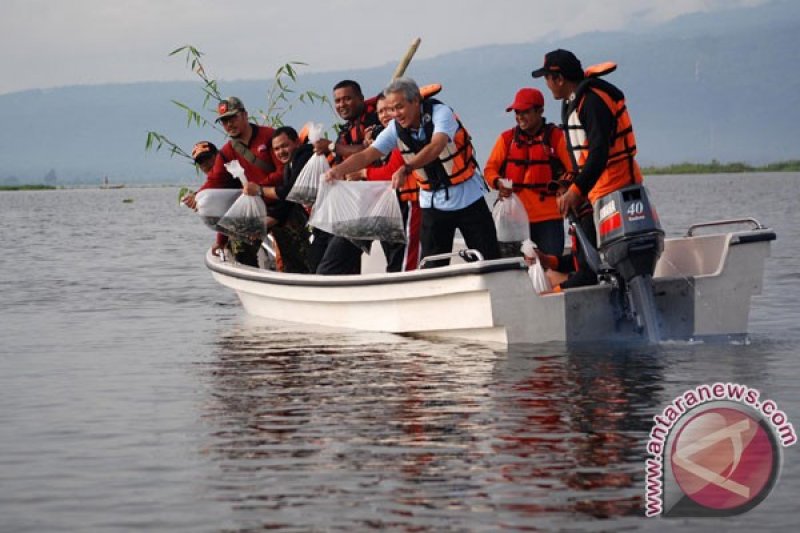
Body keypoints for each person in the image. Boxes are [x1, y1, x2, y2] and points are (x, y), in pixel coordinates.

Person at [325, 77, 500, 268]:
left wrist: (407, 167)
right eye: (391, 109)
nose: (395, 114)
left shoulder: (441, 113)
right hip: (433, 203)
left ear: (415, 100)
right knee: (432, 266)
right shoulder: (395, 128)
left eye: (399, 107)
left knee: (489, 258)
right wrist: (338, 170)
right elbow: (369, 153)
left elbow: (437, 145)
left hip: (468, 197)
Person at [531, 49, 643, 290]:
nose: (547, 86)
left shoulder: (591, 101)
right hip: (599, 192)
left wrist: (576, 191)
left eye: (547, 79)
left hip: (613, 190)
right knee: (591, 261)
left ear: (558, 78)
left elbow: (599, 153)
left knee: (591, 271)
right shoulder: (578, 99)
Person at [484, 87, 572, 257]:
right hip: (513, 221)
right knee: (515, 270)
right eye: (517, 112)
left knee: (551, 267)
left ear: (540, 111)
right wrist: (497, 182)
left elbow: (573, 169)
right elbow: (490, 169)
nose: (519, 116)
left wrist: (563, 185)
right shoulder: (506, 139)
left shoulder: (557, 138)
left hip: (548, 219)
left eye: (525, 112)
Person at [313, 80, 381, 275]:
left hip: (378, 203)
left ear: (360, 98)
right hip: (355, 203)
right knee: (331, 255)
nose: (342, 104)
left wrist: (332, 147)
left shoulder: (375, 122)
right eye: (338, 101)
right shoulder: (347, 130)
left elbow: (371, 151)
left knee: (331, 267)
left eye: (347, 99)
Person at [353, 93, 422, 272]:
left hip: (410, 202)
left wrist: (362, 172)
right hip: (390, 206)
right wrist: (368, 148)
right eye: (380, 111)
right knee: (392, 255)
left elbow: (390, 173)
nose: (384, 115)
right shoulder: (381, 138)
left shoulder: (403, 136)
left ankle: (402, 291)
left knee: (402, 257)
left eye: (389, 110)